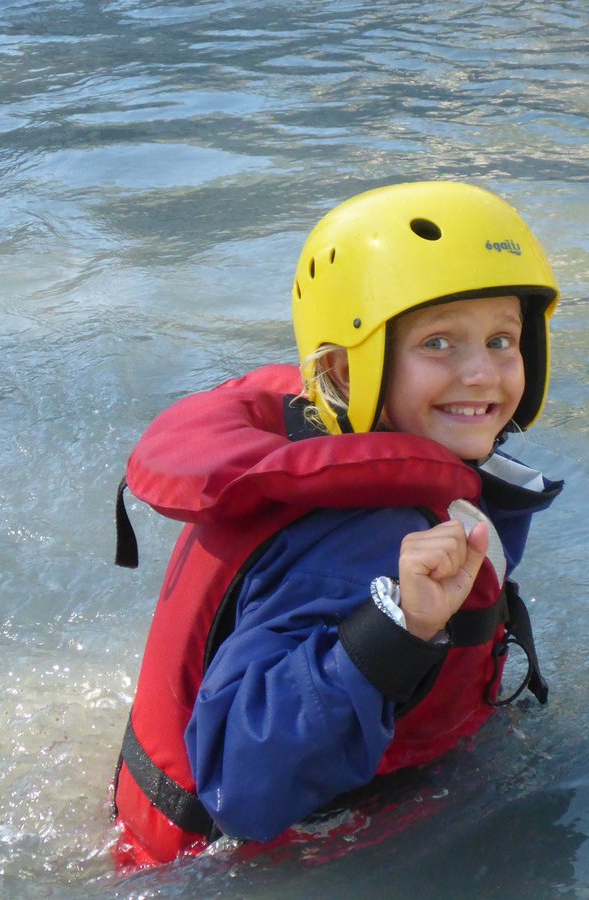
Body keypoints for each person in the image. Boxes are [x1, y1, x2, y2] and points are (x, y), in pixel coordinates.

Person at [109, 181, 564, 868]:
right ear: (344, 373)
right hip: (245, 867)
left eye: (503, 339)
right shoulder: (358, 544)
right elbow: (240, 785)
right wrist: (395, 628)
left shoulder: (363, 475)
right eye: (438, 342)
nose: (481, 372)